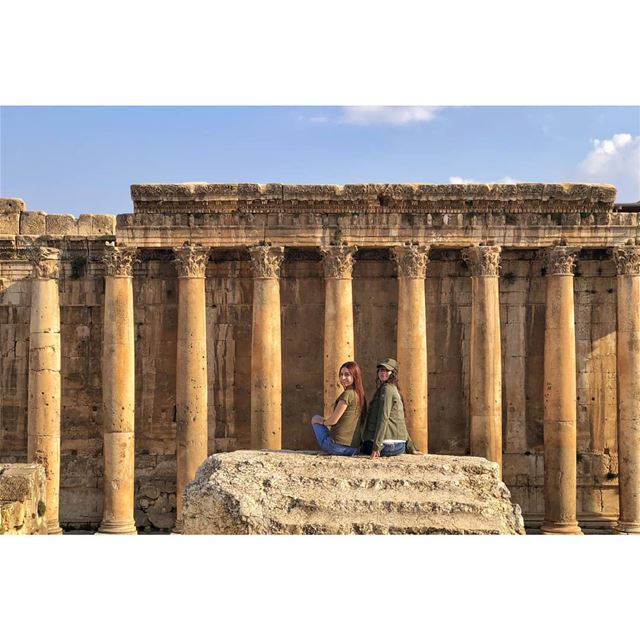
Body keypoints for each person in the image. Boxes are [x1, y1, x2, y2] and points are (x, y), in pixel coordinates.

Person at [360, 357, 421, 458]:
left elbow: (383, 417)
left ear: (393, 373)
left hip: (389, 446)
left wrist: (376, 447)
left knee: (360, 446)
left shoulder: (387, 389)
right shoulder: (392, 388)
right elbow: (399, 420)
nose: (382, 372)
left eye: (387, 370)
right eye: (381, 370)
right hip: (397, 445)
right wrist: (410, 446)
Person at [310, 361, 367, 456]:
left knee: (315, 418)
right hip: (355, 449)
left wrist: (320, 421)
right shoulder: (360, 395)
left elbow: (333, 421)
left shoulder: (347, 395)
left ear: (355, 376)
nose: (343, 378)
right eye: (341, 374)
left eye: (347, 375)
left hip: (338, 447)